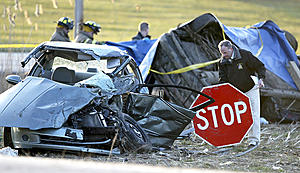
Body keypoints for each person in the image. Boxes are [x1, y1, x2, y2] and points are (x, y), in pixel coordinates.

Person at [218, 40, 266, 147]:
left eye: (225, 52)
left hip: (250, 87)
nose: (223, 55)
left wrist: (261, 78)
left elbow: (260, 66)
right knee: (236, 116)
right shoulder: (222, 62)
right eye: (221, 53)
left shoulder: (245, 55)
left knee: (253, 113)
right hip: (235, 91)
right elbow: (222, 78)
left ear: (231, 49)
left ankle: (253, 140)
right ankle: (235, 139)